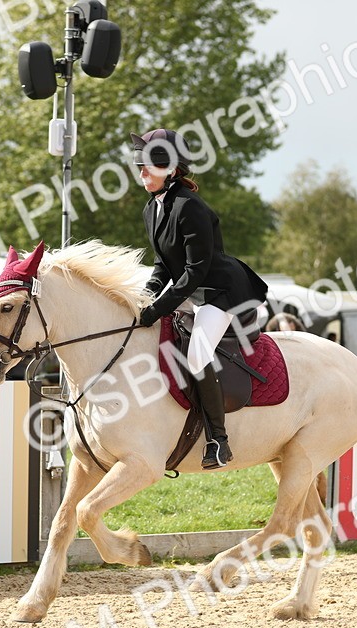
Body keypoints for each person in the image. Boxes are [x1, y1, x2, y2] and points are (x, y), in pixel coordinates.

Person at [131, 128, 269, 469]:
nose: (141, 171)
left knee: (197, 355)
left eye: (148, 165)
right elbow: (163, 264)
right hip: (193, 291)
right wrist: (143, 298)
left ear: (171, 169)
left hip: (220, 292)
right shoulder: (152, 208)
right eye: (139, 165)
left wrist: (158, 308)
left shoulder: (189, 207)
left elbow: (194, 271)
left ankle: (219, 441)